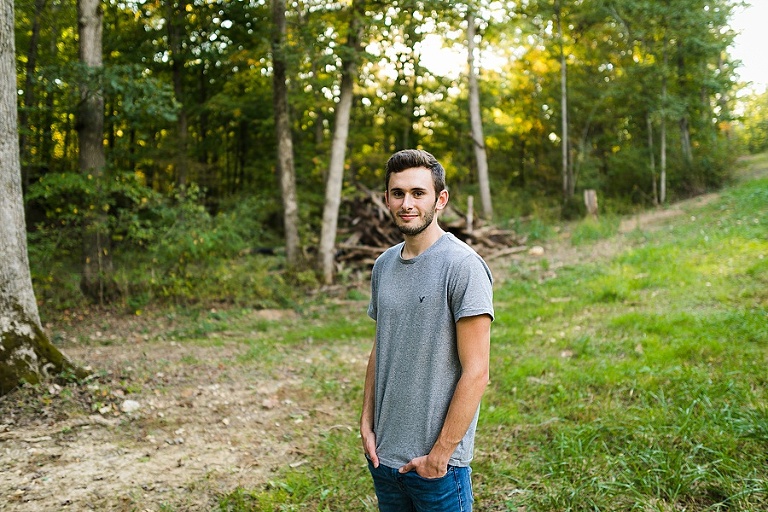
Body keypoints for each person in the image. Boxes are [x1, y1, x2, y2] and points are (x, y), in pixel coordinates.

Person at [360, 149, 494, 511]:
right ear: (387, 199)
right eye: (398, 193)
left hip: (437, 470)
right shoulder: (383, 266)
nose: (407, 203)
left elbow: (477, 372)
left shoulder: (463, 267)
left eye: (418, 193)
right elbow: (381, 347)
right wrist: (366, 423)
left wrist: (441, 455)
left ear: (440, 199)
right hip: (384, 460)